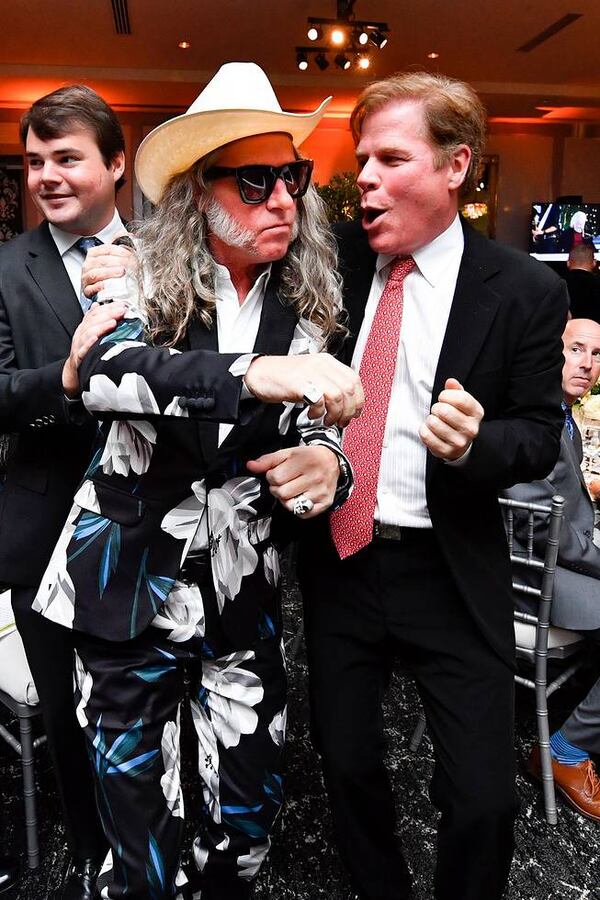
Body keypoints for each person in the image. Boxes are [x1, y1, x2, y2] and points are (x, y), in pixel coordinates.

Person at [33, 62, 361, 900]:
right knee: (136, 818)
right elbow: (107, 372)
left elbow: (323, 425)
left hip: (239, 589)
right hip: (123, 580)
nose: (284, 198)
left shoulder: (313, 304)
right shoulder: (132, 268)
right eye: (257, 180)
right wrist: (258, 374)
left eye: (294, 177)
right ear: (198, 190)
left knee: (247, 811)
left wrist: (331, 461)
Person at [297, 71, 569, 900]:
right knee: (344, 764)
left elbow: (538, 435)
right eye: (362, 159)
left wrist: (475, 445)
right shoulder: (331, 264)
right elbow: (222, 253)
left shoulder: (525, 290)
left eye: (390, 158)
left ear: (456, 167)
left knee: (484, 798)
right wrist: (122, 256)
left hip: (451, 571)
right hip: (341, 561)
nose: (365, 179)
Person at [0, 84, 132, 900]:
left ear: (115, 163)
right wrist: (69, 376)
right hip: (44, 519)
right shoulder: (6, 268)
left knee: (148, 700)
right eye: (34, 160)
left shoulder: (171, 255)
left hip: (158, 526)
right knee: (69, 712)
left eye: (67, 157)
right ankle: (95, 859)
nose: (47, 175)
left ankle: (166, 840)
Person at [505, 318, 600, 822]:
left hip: (555, 567)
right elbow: (541, 529)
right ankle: (564, 752)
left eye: (597, 354)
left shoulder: (561, 414)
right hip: (529, 584)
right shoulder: (533, 419)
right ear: (551, 351)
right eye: (576, 349)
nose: (586, 363)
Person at [565, 244, 600, 322]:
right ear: (594, 263)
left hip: (565, 333)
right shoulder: (597, 284)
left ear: (568, 263)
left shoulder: (557, 285)